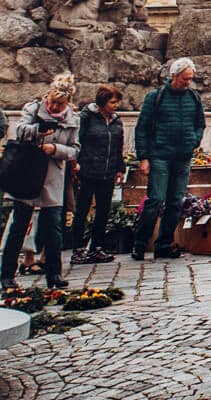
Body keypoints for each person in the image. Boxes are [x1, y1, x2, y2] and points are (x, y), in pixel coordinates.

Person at [1, 74, 80, 290]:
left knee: (53, 228)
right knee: (19, 225)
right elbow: (18, 130)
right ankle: (7, 274)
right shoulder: (33, 109)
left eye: (59, 103)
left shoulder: (73, 119)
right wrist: (38, 130)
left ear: (68, 102)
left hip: (53, 176)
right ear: (47, 95)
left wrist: (56, 149)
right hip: (27, 172)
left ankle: (54, 274)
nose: (54, 106)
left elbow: (75, 149)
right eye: (52, 101)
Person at [131, 58, 205, 262]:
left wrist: (195, 140)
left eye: (190, 79)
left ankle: (164, 244)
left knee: (175, 201)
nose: (187, 82)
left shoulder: (194, 97)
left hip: (183, 156)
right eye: (184, 79)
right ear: (174, 76)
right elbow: (142, 128)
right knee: (155, 200)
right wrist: (144, 157)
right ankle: (139, 244)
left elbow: (200, 122)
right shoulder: (156, 97)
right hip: (160, 155)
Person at [68, 83, 126, 264]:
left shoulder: (116, 120)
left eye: (117, 102)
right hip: (87, 170)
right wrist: (75, 165)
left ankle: (97, 247)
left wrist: (120, 168)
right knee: (82, 210)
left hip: (107, 172)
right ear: (103, 102)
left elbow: (118, 146)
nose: (115, 106)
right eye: (112, 102)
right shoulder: (86, 117)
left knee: (103, 210)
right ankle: (77, 249)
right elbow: (77, 141)